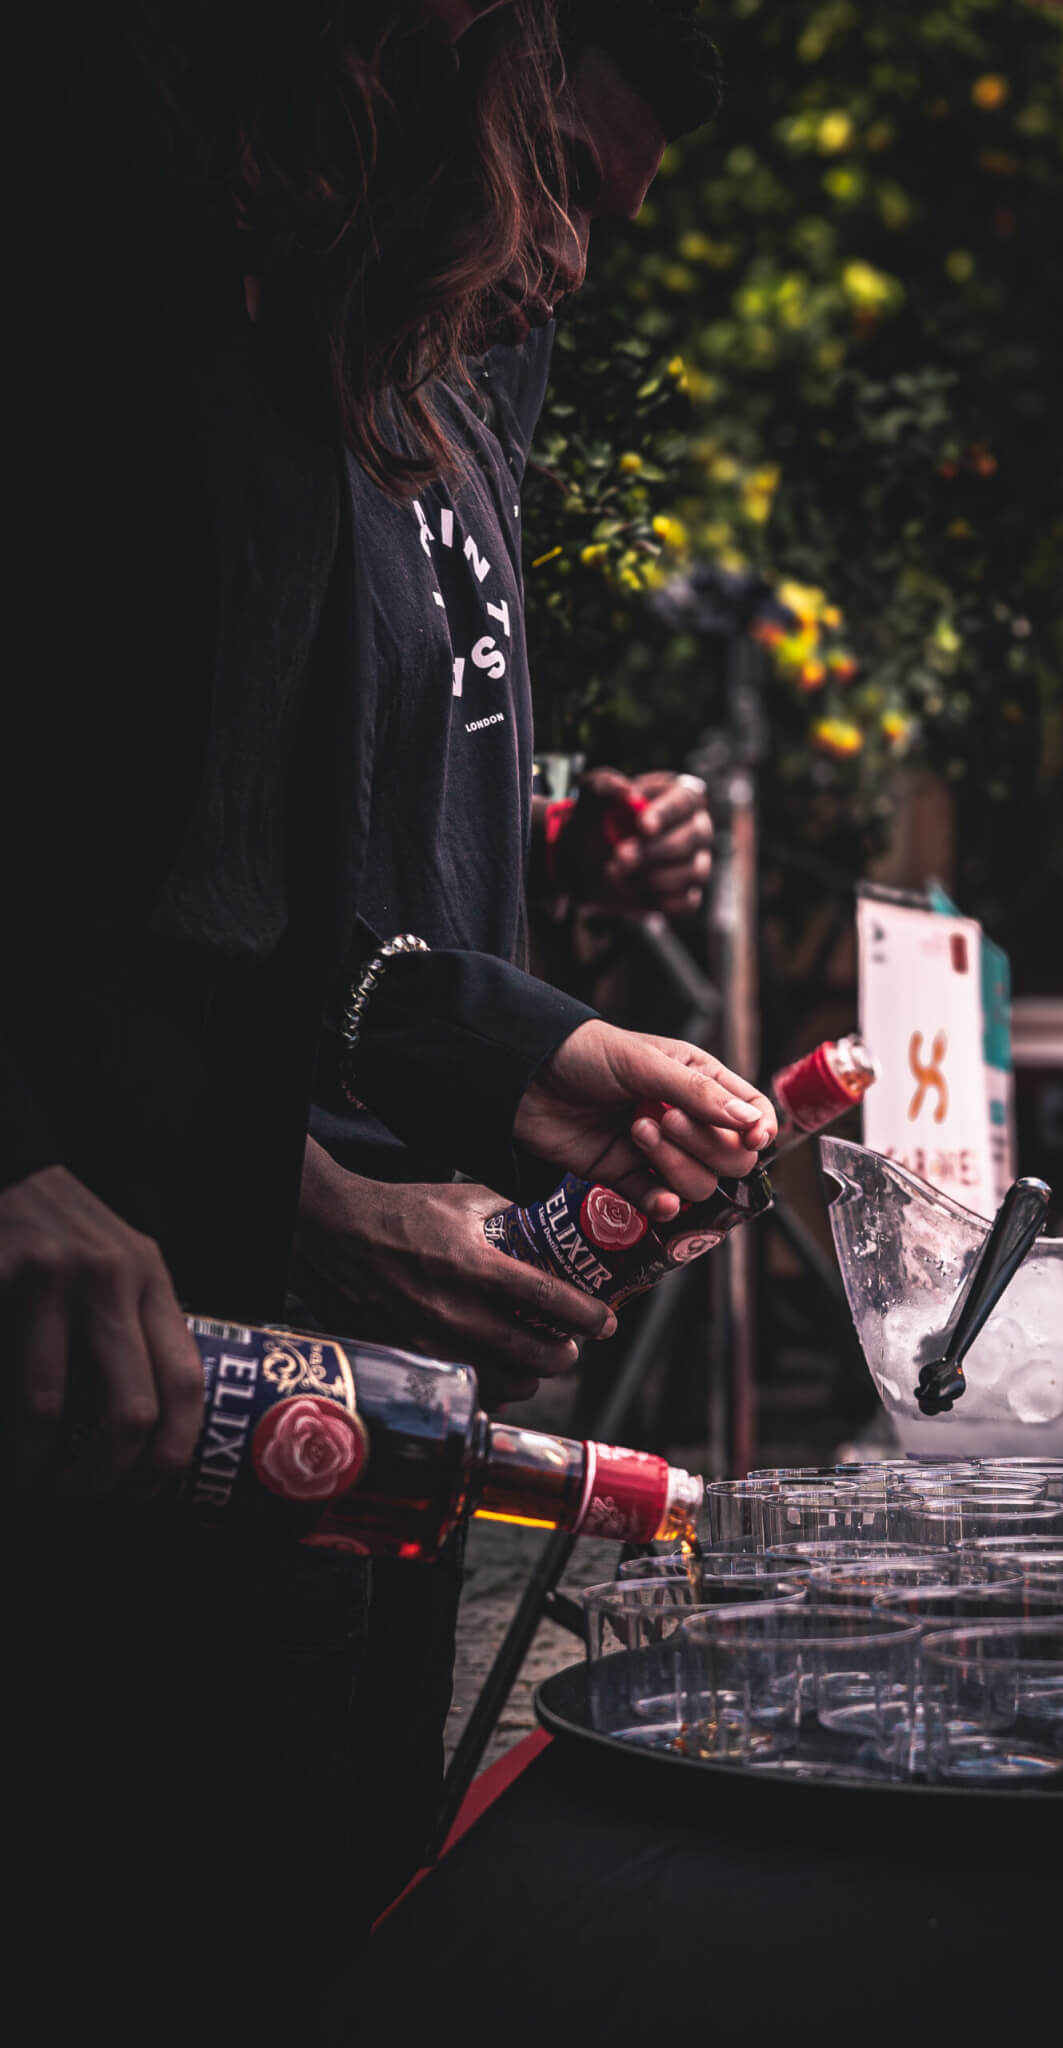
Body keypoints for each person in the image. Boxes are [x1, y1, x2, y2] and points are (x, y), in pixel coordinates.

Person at [5, 4, 765, 2035]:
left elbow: (253, 936)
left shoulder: (317, 370)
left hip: (204, 1412)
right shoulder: (84, 262)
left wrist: (526, 1050)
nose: (570, 262)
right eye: (551, 153)